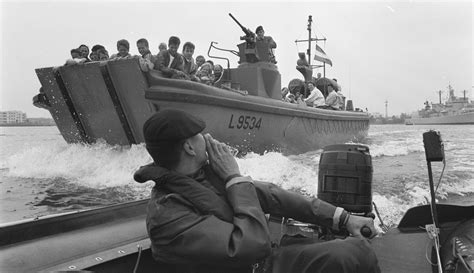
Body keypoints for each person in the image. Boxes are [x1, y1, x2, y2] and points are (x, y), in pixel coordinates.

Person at [134, 109, 381, 273]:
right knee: (350, 254)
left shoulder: (202, 176)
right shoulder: (167, 214)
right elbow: (253, 246)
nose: (207, 137)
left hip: (257, 262)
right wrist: (233, 177)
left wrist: (343, 218)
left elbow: (271, 195)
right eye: (200, 134)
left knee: (352, 247)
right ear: (189, 147)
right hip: (253, 264)